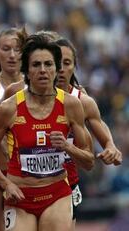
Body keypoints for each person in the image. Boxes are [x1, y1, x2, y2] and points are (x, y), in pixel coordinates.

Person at [0, 34, 94, 231]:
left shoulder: (71, 105)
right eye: (36, 65)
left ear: (56, 68)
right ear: (26, 70)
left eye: (48, 64)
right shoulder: (9, 107)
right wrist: (6, 184)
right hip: (20, 195)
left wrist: (68, 146)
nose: (43, 70)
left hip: (56, 194)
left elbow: (89, 161)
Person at [54, 37, 122, 226]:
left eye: (66, 63)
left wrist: (110, 145)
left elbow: (98, 123)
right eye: (56, 62)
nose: (60, 68)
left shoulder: (82, 100)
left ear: (74, 67)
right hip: (30, 183)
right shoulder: (25, 97)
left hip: (67, 184)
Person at [0, 27, 26, 231]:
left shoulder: (35, 87)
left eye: (17, 49)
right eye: (6, 48)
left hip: (24, 174)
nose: (12, 55)